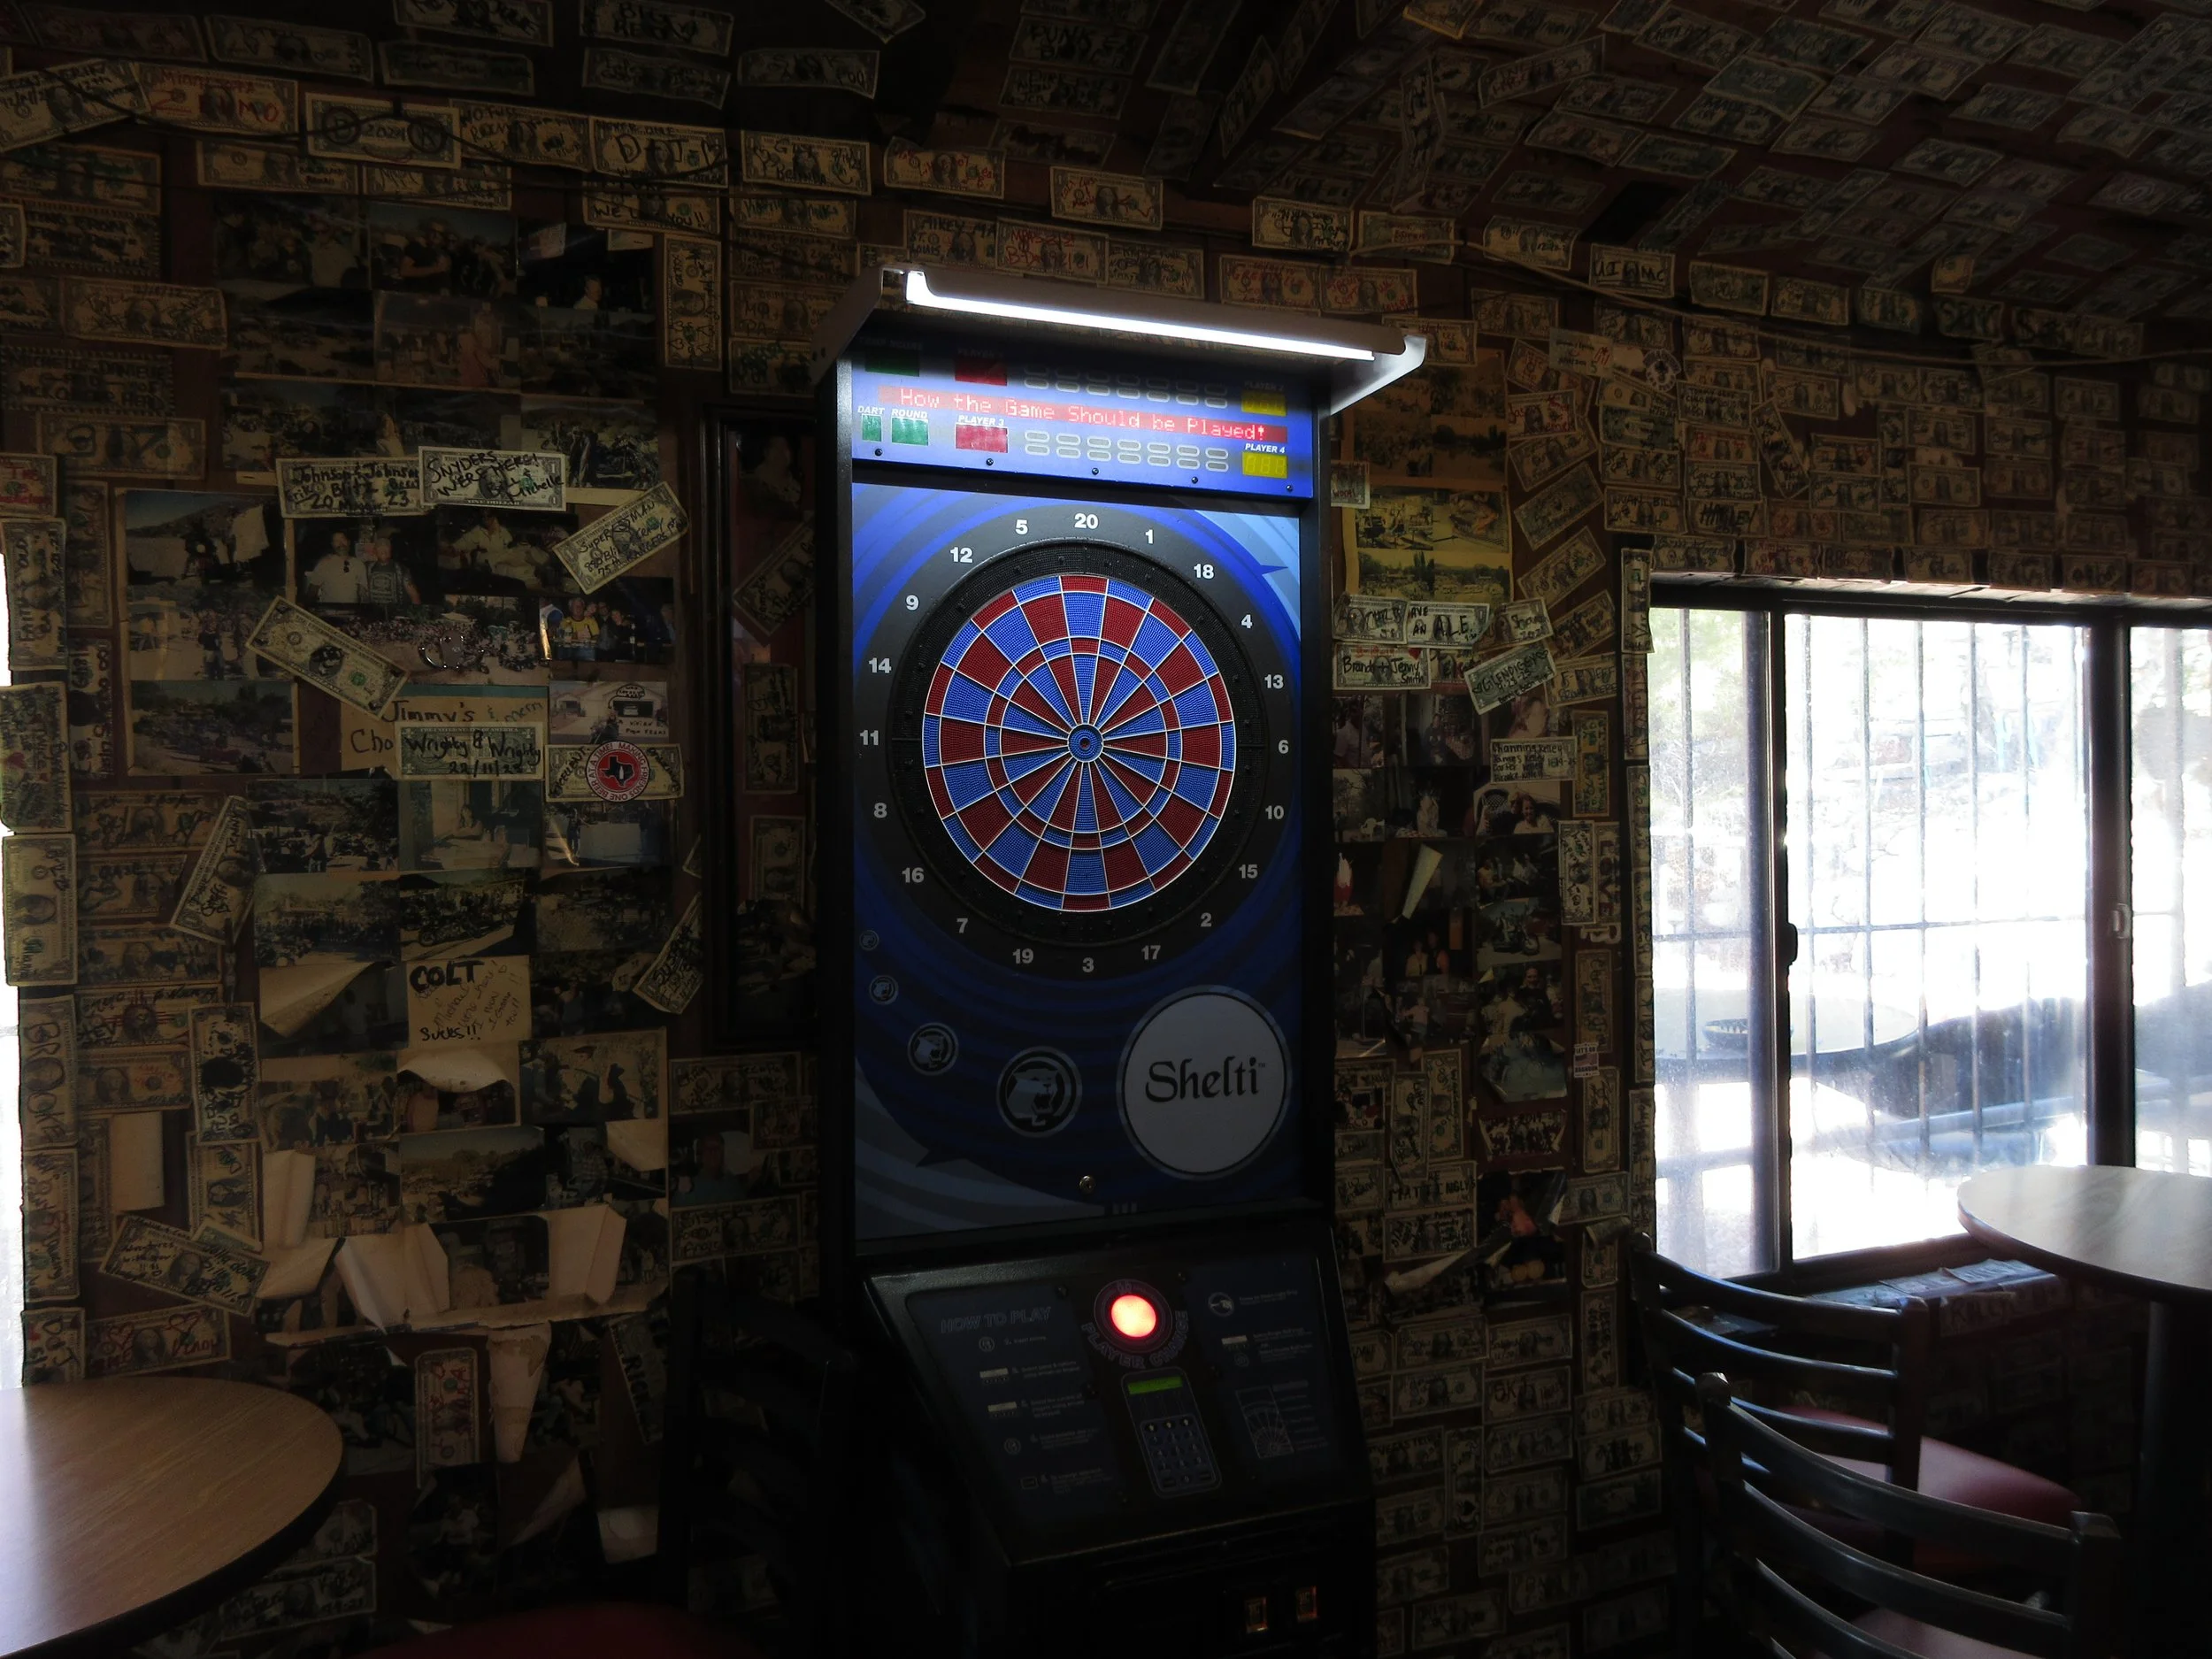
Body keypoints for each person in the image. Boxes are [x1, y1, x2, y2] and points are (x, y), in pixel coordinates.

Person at [675, 1133, 747, 1206]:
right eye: (708, 1148)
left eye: (717, 1148)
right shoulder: (690, 1184)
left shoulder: (731, 1182)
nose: (713, 1152)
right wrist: (683, 1194)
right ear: (700, 1154)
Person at [304, 529, 365, 606]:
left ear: (349, 542)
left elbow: (363, 595)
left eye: (343, 539)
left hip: (352, 614)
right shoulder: (324, 564)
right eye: (336, 541)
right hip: (329, 614)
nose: (341, 544)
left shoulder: (359, 564)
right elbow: (312, 592)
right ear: (332, 544)